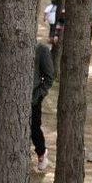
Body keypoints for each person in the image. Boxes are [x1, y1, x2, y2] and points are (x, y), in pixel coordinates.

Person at [31, 42, 54, 172]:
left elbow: (50, 77)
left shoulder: (41, 50)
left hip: (34, 99)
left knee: (34, 128)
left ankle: (41, 152)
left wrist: (39, 95)